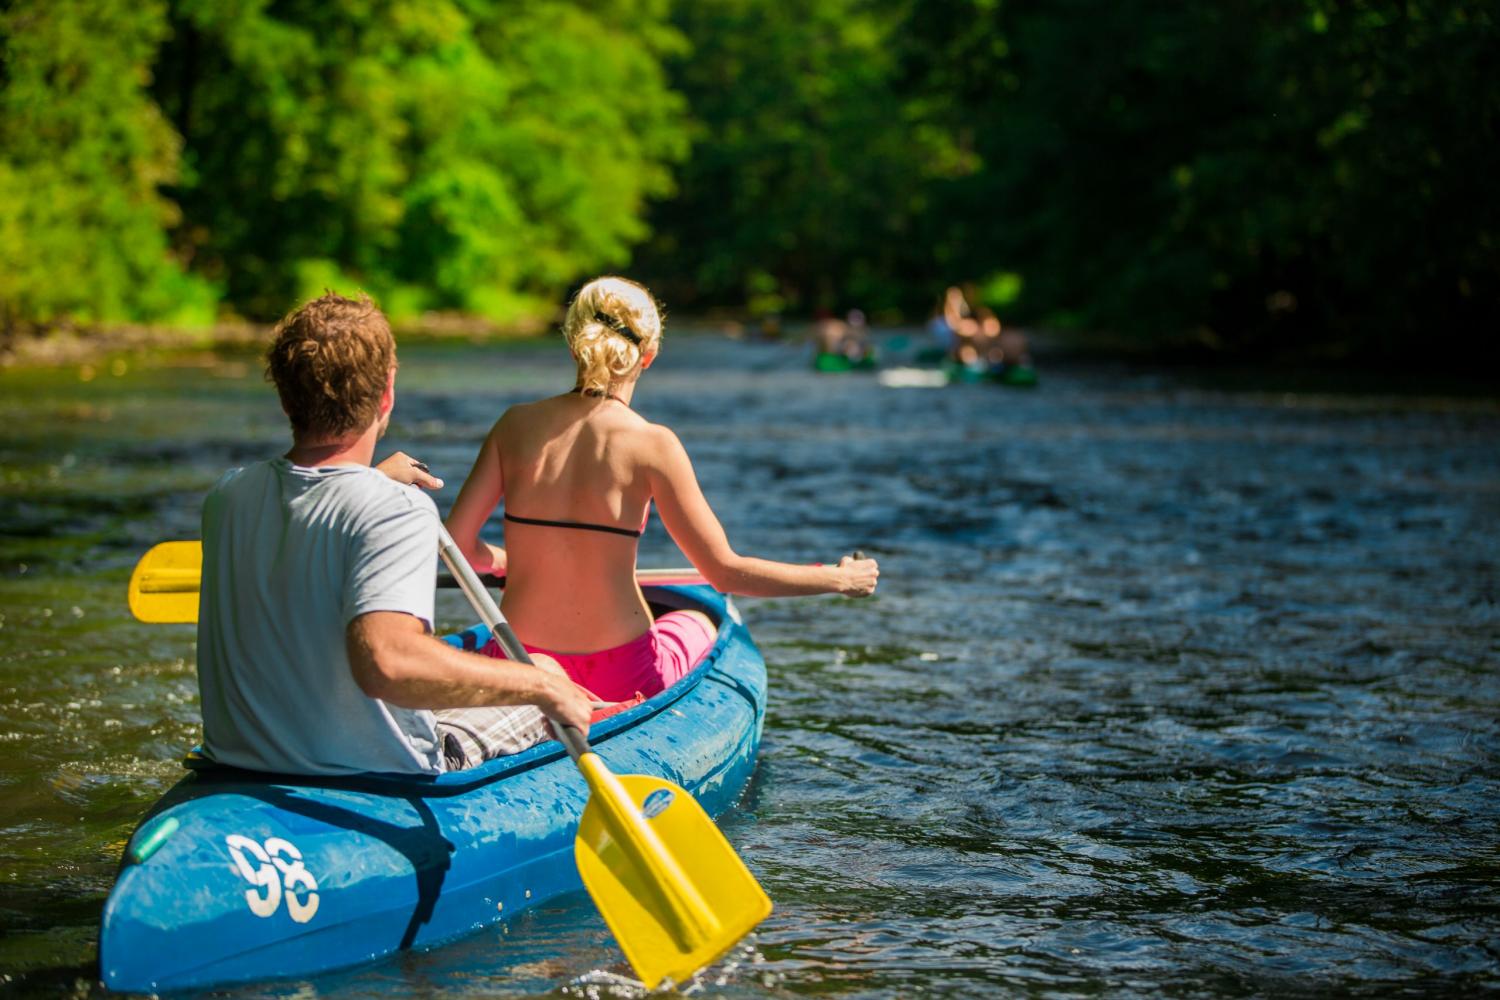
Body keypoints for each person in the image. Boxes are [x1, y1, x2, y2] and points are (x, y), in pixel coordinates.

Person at [196, 292, 593, 776]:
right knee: (547, 671)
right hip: (384, 776)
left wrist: (373, 484)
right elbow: (388, 663)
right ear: (387, 394)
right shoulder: (397, 509)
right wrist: (543, 688)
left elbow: (308, 508)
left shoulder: (228, 497)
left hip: (241, 770)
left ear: (284, 397)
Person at [447, 275, 879, 707]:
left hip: (520, 659)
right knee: (699, 620)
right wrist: (837, 577)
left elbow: (458, 546)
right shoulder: (654, 444)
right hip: (621, 674)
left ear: (572, 342)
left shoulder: (513, 426)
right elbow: (724, 573)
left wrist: (502, 559)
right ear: (648, 356)